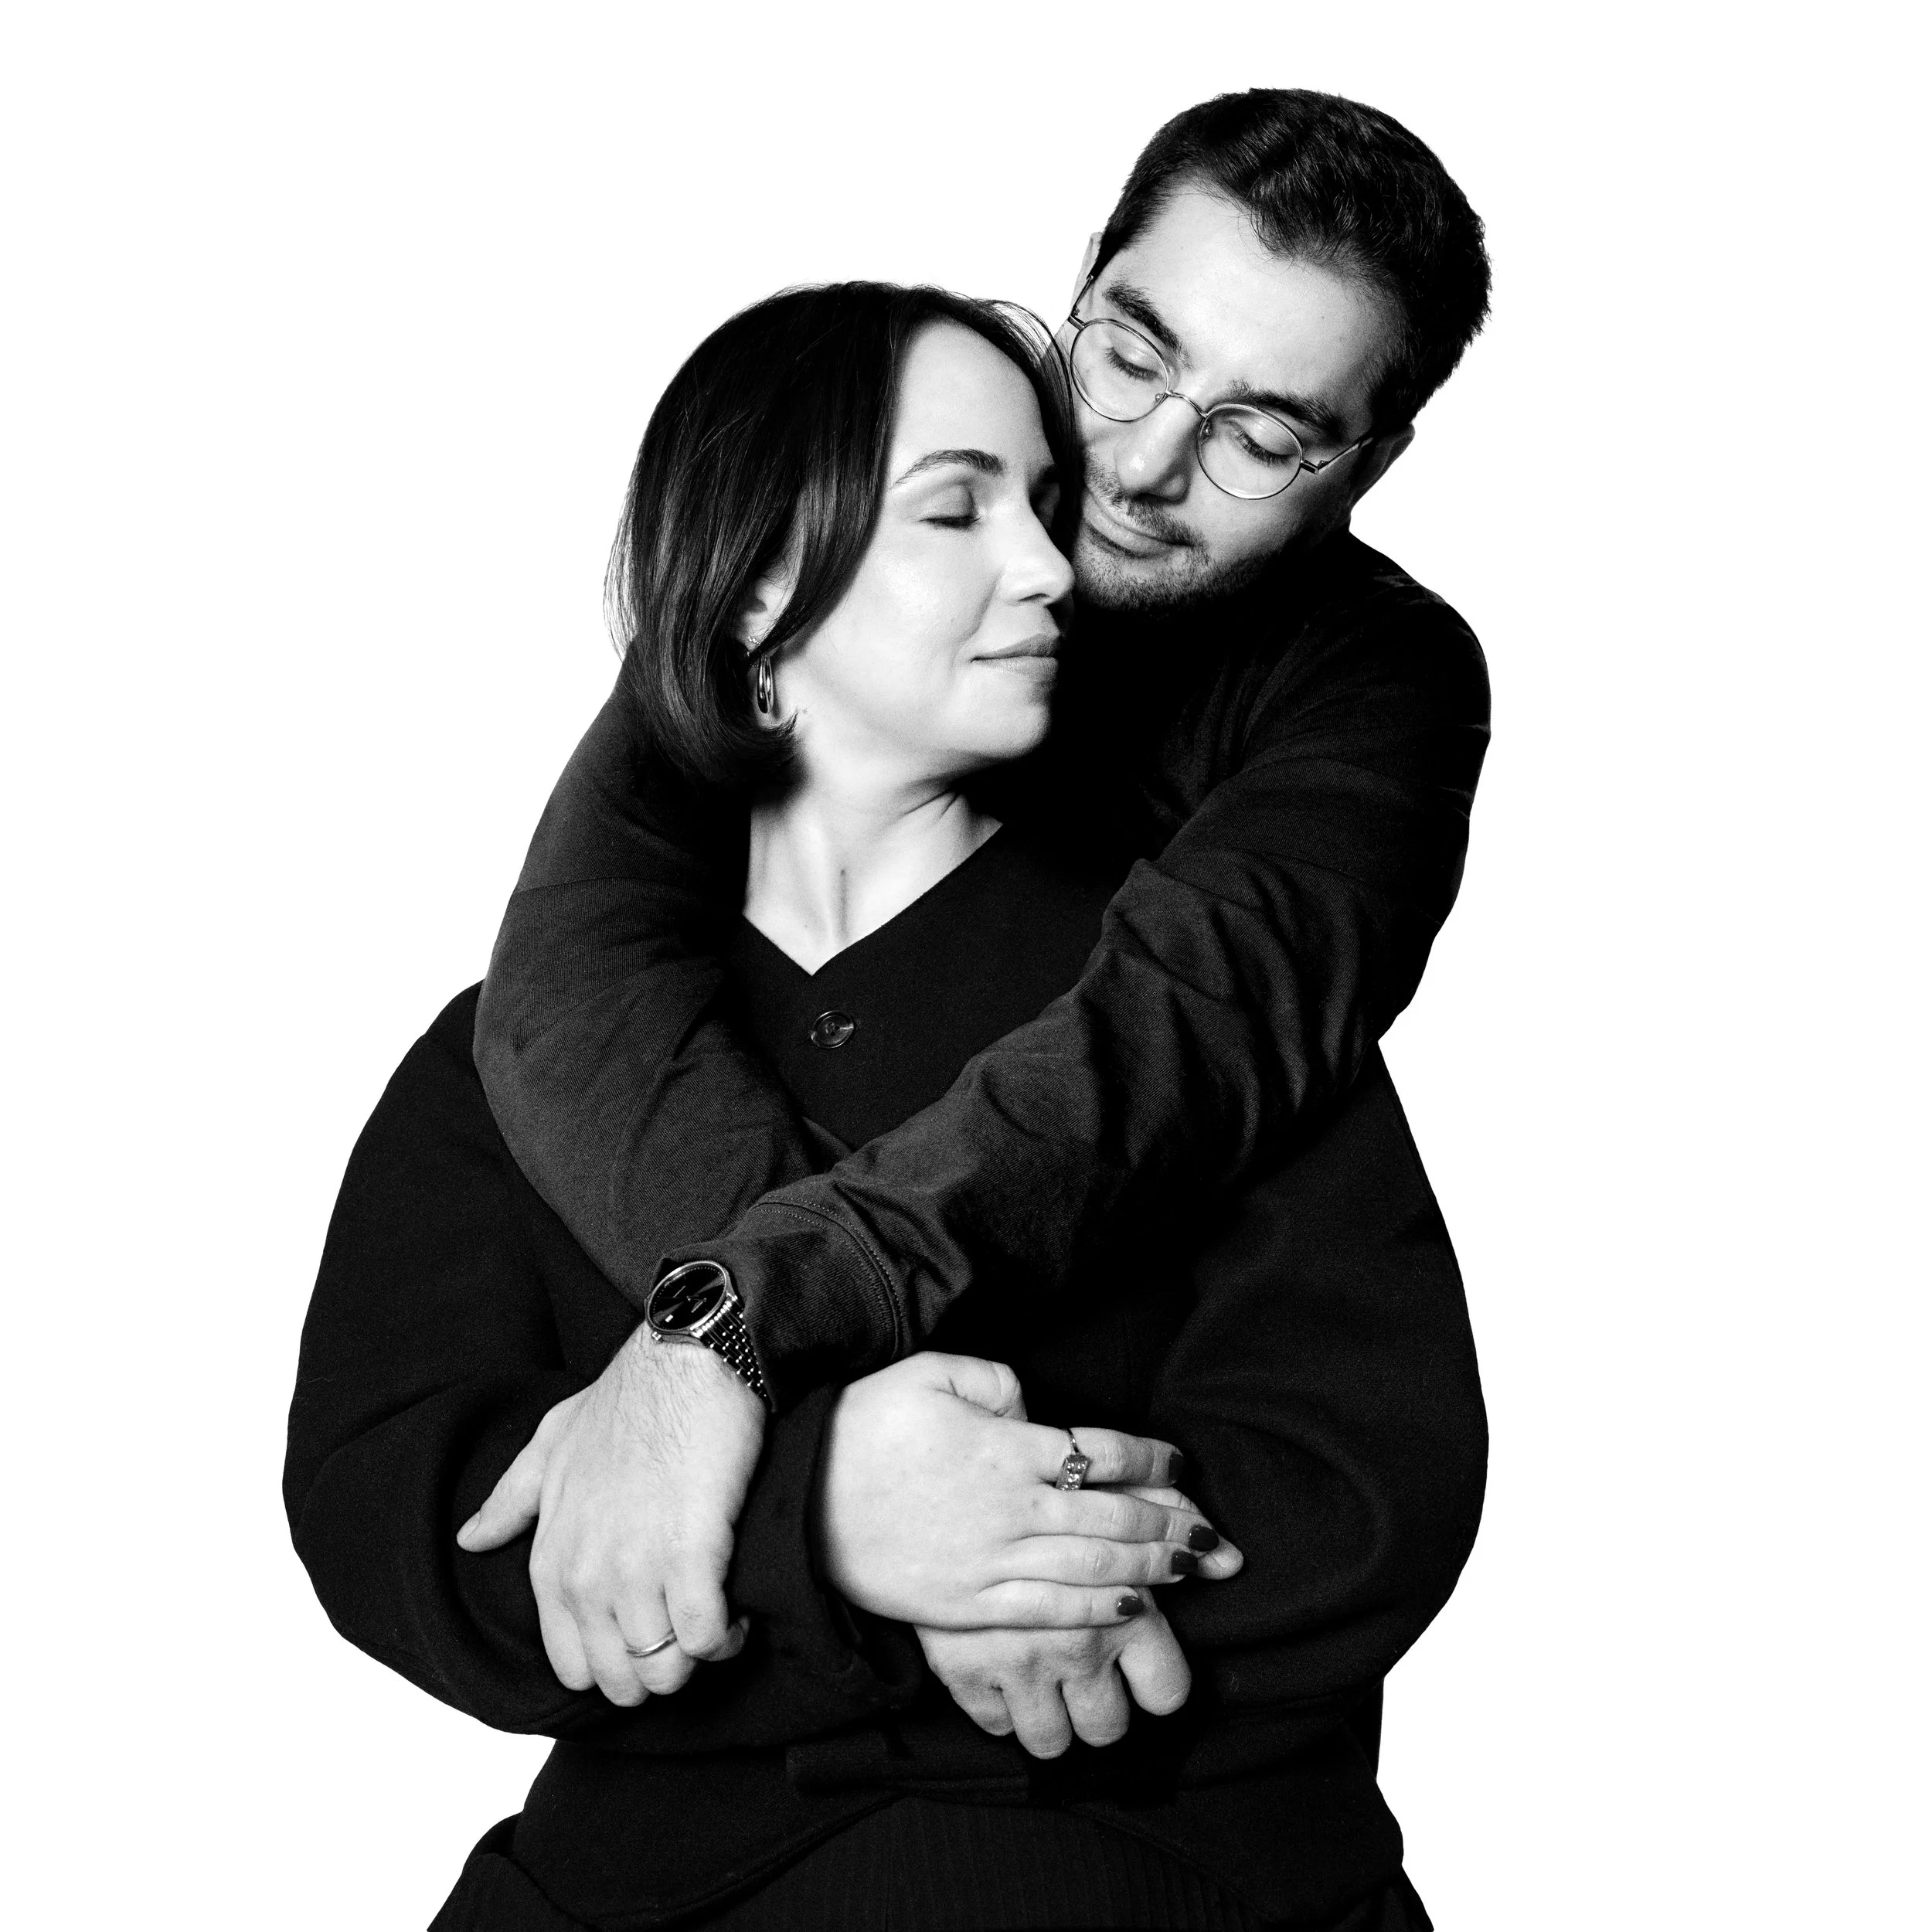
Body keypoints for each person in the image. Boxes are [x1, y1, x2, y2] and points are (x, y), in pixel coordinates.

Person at [287, 281, 1485, 1928]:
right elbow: (399, 1517)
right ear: (760, 580)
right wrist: (834, 1529)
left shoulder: (1193, 1016)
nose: (1055, 567)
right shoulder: (507, 1055)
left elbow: (1359, 1494)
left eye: (1044, 507)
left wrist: (829, 1547)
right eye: (954, 510)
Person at [465, 88, 1494, 1694]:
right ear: (1082, 281)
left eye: (1259, 436)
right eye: (1129, 354)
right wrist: (851, 1458)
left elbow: (1176, 1046)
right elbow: (573, 972)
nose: (1139, 465)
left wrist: (797, 1377)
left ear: (1370, 461)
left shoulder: (1377, 685)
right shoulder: (857, 502)